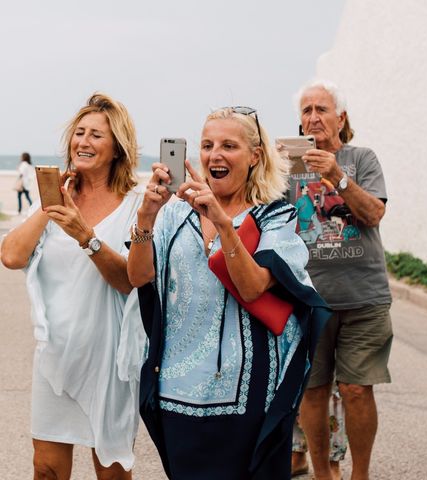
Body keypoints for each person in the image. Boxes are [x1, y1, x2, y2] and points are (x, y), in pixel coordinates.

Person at [127, 106, 330, 480]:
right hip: (177, 388)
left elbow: (253, 287)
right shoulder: (174, 214)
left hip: (250, 392)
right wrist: (145, 219)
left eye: (228, 146)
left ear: (254, 157)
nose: (214, 155)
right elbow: (139, 276)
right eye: (207, 145)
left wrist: (222, 223)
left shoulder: (274, 215)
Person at [0, 94, 144, 479]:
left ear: (117, 148)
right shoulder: (55, 200)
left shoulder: (135, 204)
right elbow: (11, 256)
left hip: (109, 360)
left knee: (111, 471)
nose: (83, 141)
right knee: (45, 469)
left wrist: (86, 236)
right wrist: (50, 209)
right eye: (79, 133)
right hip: (56, 356)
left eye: (96, 134)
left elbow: (131, 281)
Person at [285, 79, 393, 480]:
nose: (314, 117)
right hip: (309, 301)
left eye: (322, 109)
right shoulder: (289, 166)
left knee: (356, 389)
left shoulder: (361, 158)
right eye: (307, 111)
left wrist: (337, 177)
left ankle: (359, 475)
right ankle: (322, 473)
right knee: (312, 391)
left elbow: (373, 215)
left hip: (363, 296)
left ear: (341, 117)